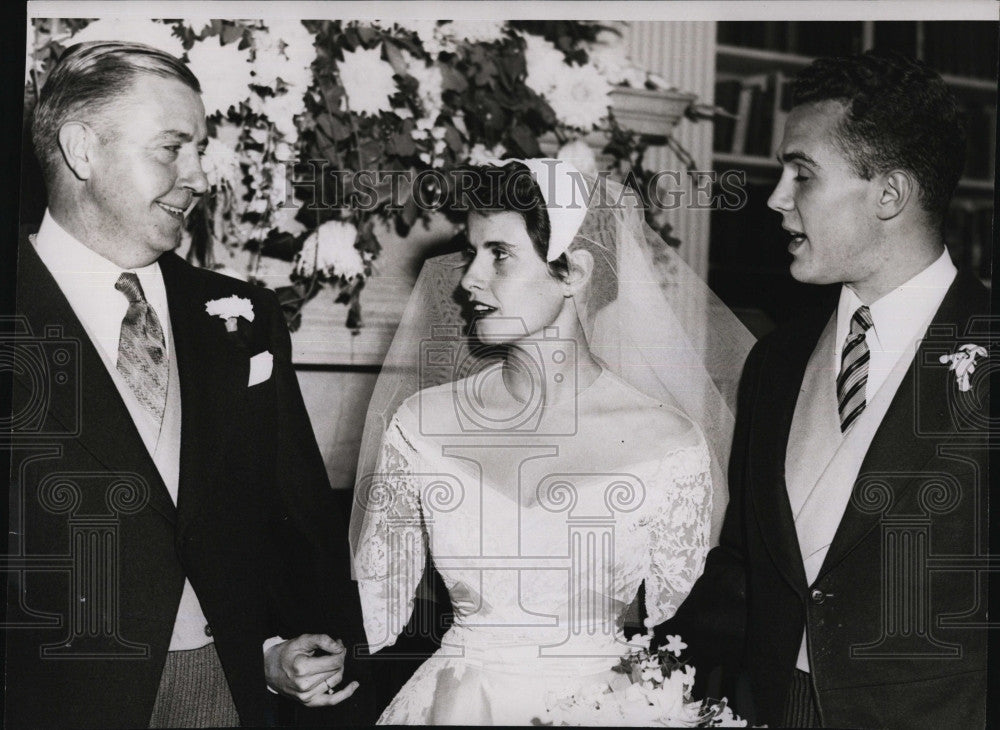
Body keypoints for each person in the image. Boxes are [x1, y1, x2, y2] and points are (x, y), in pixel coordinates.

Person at [6, 41, 372, 728]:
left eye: (201, 149)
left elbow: (291, 516)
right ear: (82, 150)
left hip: (223, 690)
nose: (200, 176)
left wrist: (275, 647)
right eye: (173, 148)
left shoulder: (246, 318)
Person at [349, 159, 755, 724]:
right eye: (471, 253)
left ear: (575, 272)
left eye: (500, 254)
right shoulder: (421, 424)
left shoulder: (669, 441)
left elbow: (686, 632)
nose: (467, 279)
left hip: (606, 710)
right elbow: (373, 605)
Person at [655, 51, 990, 728]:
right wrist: (633, 672)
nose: (776, 197)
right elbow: (747, 568)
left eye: (802, 174)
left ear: (889, 195)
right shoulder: (777, 359)